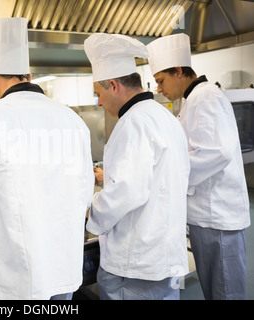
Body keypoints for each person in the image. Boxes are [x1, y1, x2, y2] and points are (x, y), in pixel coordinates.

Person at [0, 17, 95, 300]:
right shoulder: (73, 121)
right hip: (64, 276)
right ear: (29, 76)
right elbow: (84, 197)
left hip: (13, 281)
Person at [84, 33, 190, 300]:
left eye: (98, 93)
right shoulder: (164, 117)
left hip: (135, 265)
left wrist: (90, 211)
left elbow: (128, 192)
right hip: (162, 257)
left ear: (114, 85)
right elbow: (155, 181)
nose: (98, 102)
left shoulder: (133, 122)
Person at [147, 33, 251, 300]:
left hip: (217, 216)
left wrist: (169, 172)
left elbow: (218, 151)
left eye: (161, 80)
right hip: (206, 215)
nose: (159, 88)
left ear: (179, 71)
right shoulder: (191, 99)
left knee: (226, 292)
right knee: (216, 291)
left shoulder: (205, 97)